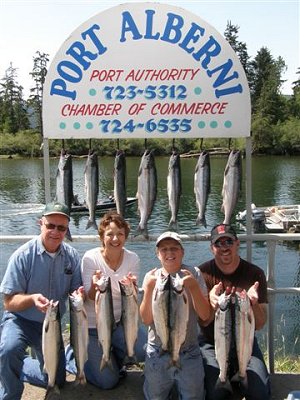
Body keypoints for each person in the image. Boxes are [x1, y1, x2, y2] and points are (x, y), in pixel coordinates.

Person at [0, 202, 82, 400]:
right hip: (20, 320)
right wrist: (32, 299)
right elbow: (9, 302)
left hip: (51, 325)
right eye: (50, 226)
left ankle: (24, 365)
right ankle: (10, 394)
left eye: (61, 228)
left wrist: (80, 293)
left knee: (57, 380)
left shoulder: (72, 257)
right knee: (9, 350)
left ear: (66, 230)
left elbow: (76, 291)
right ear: (41, 224)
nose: (55, 232)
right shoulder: (22, 256)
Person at [65, 211, 146, 389]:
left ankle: (113, 354)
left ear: (126, 236)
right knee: (108, 382)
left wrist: (132, 288)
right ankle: (73, 357)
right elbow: (90, 295)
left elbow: (131, 300)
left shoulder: (133, 258)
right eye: (110, 234)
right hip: (93, 328)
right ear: (102, 236)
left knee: (144, 350)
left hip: (119, 323)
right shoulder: (91, 258)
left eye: (120, 234)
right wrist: (95, 286)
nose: (115, 238)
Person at [198, 223, 271, 400]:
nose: (224, 248)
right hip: (211, 343)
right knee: (215, 394)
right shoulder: (202, 273)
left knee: (260, 393)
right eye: (218, 243)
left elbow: (260, 324)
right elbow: (203, 322)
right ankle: (227, 376)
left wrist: (252, 303)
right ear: (211, 248)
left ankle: (240, 373)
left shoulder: (255, 274)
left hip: (246, 341)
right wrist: (211, 304)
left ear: (237, 243)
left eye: (229, 242)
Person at [140, 231, 211, 400]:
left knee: (193, 396)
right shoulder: (151, 277)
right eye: (164, 249)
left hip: (189, 350)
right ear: (157, 254)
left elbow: (205, 315)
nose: (169, 253)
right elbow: (146, 319)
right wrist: (149, 289)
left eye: (174, 248)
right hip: (158, 350)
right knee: (155, 396)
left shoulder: (193, 274)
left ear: (182, 252)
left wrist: (193, 288)